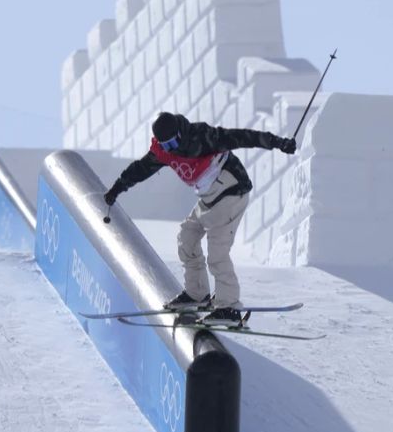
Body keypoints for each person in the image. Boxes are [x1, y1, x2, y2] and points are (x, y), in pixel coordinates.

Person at [103, 112, 297, 324]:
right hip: (208, 198)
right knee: (186, 238)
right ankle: (197, 293)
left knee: (217, 253)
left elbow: (243, 136)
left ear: (180, 133)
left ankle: (229, 307)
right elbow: (139, 169)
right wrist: (117, 189)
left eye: (174, 142)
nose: (172, 148)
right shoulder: (163, 153)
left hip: (232, 190)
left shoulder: (202, 136)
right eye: (166, 145)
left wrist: (278, 143)